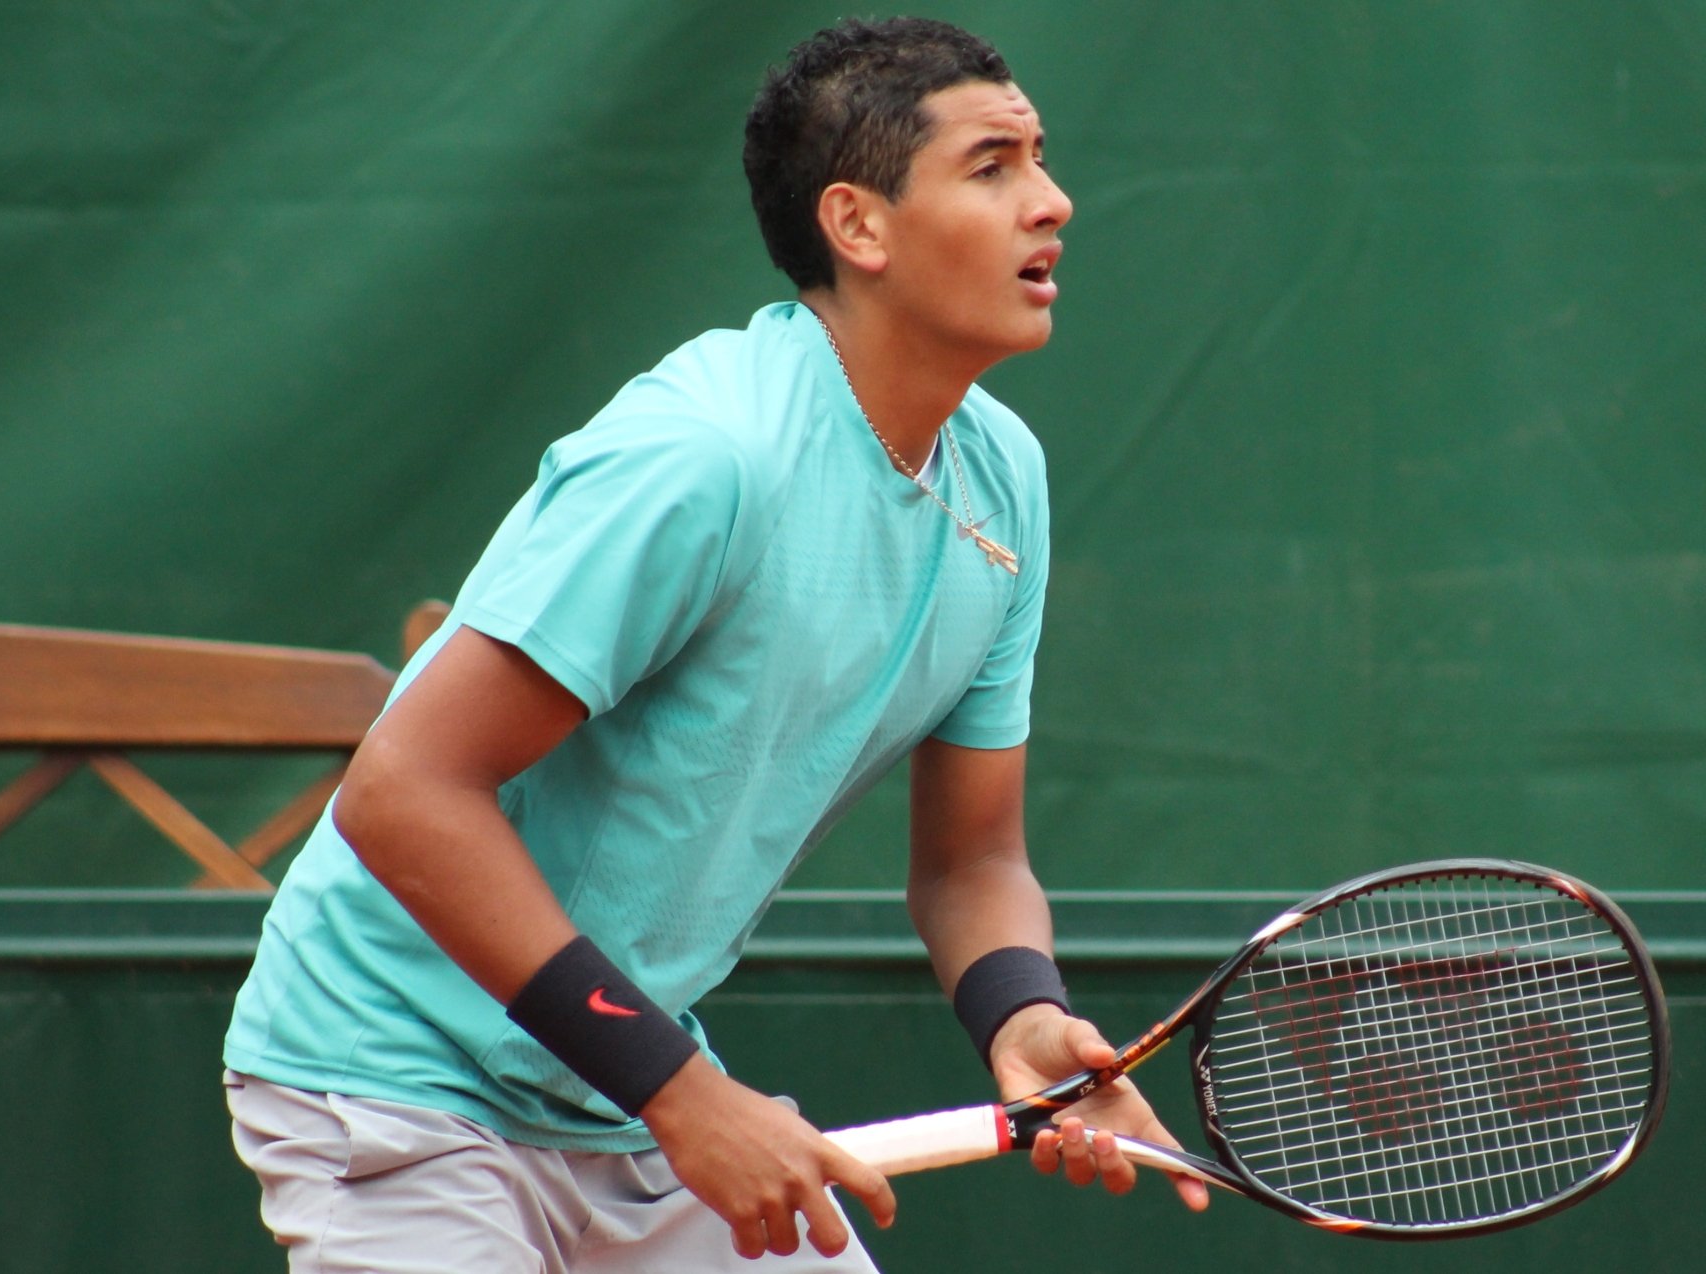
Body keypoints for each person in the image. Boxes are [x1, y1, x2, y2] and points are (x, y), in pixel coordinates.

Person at [223, 16, 1206, 1271]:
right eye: (992, 165)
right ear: (858, 225)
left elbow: (972, 858)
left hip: (616, 1085)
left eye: (1041, 159)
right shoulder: (704, 458)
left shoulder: (1002, 479)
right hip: (394, 1075)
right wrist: (686, 1095)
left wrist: (1023, 1014)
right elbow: (404, 792)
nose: (1051, 200)